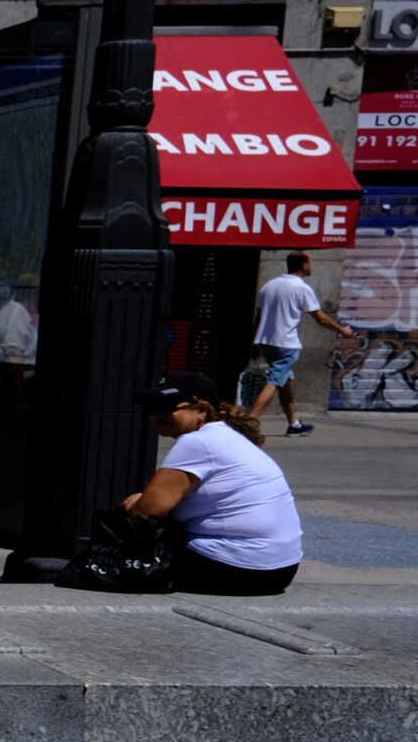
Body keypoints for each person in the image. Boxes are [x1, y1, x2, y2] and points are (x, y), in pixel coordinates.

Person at [126, 371, 301, 595]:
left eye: (167, 407)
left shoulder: (197, 442)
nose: (156, 415)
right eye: (152, 407)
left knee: (130, 550)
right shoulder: (226, 436)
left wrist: (138, 501)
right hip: (281, 569)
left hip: (235, 568)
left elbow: (148, 510)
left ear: (203, 410)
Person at [247, 252, 353, 438]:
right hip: (286, 344)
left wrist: (255, 342)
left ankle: (294, 424)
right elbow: (320, 317)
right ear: (303, 265)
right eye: (310, 263)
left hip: (267, 343)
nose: (311, 267)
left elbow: (259, 317)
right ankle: (249, 423)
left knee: (285, 381)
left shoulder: (269, 286)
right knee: (274, 381)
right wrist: (342, 330)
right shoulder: (301, 288)